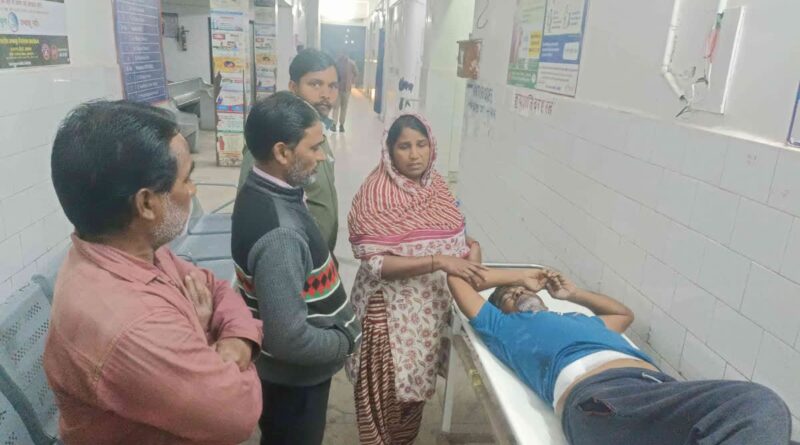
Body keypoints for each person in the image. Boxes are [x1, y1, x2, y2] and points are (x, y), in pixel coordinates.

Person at [44, 101, 262, 445]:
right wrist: (205, 337)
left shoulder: (133, 250)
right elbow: (239, 411)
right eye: (186, 179)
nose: (193, 190)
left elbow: (216, 288)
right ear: (146, 203)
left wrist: (237, 341)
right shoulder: (132, 325)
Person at [446, 268, 796, 445]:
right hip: (603, 399)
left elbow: (623, 314)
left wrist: (573, 294)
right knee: (757, 404)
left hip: (658, 392)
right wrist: (520, 276)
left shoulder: (579, 320)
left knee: (767, 420)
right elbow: (457, 280)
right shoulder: (505, 328)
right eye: (509, 296)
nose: (520, 293)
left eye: (522, 290)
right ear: (501, 310)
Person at [346, 114, 486, 444]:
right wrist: (438, 261)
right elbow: (376, 263)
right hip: (387, 316)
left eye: (421, 145)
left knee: (413, 397)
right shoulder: (376, 193)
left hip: (427, 318)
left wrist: (471, 249)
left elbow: (454, 238)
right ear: (389, 151)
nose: (414, 155)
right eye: (404, 146)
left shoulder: (437, 188)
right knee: (383, 396)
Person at [232, 91, 361, 445]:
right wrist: (344, 340)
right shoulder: (281, 236)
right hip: (295, 381)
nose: (322, 156)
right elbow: (288, 339)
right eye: (314, 147)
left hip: (289, 377)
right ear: (282, 152)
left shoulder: (261, 189)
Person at [238, 49, 340, 255]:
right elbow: (252, 203)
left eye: (332, 86)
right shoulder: (273, 133)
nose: (325, 94)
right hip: (290, 253)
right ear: (293, 87)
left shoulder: (317, 130)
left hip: (318, 253)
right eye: (315, 84)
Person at [332, 51, 358, 133]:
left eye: (344, 53)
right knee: (335, 107)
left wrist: (352, 81)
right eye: (341, 52)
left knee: (344, 108)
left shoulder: (351, 63)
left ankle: (341, 125)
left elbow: (356, 73)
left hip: (346, 89)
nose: (342, 54)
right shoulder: (336, 63)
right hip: (337, 89)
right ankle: (334, 124)